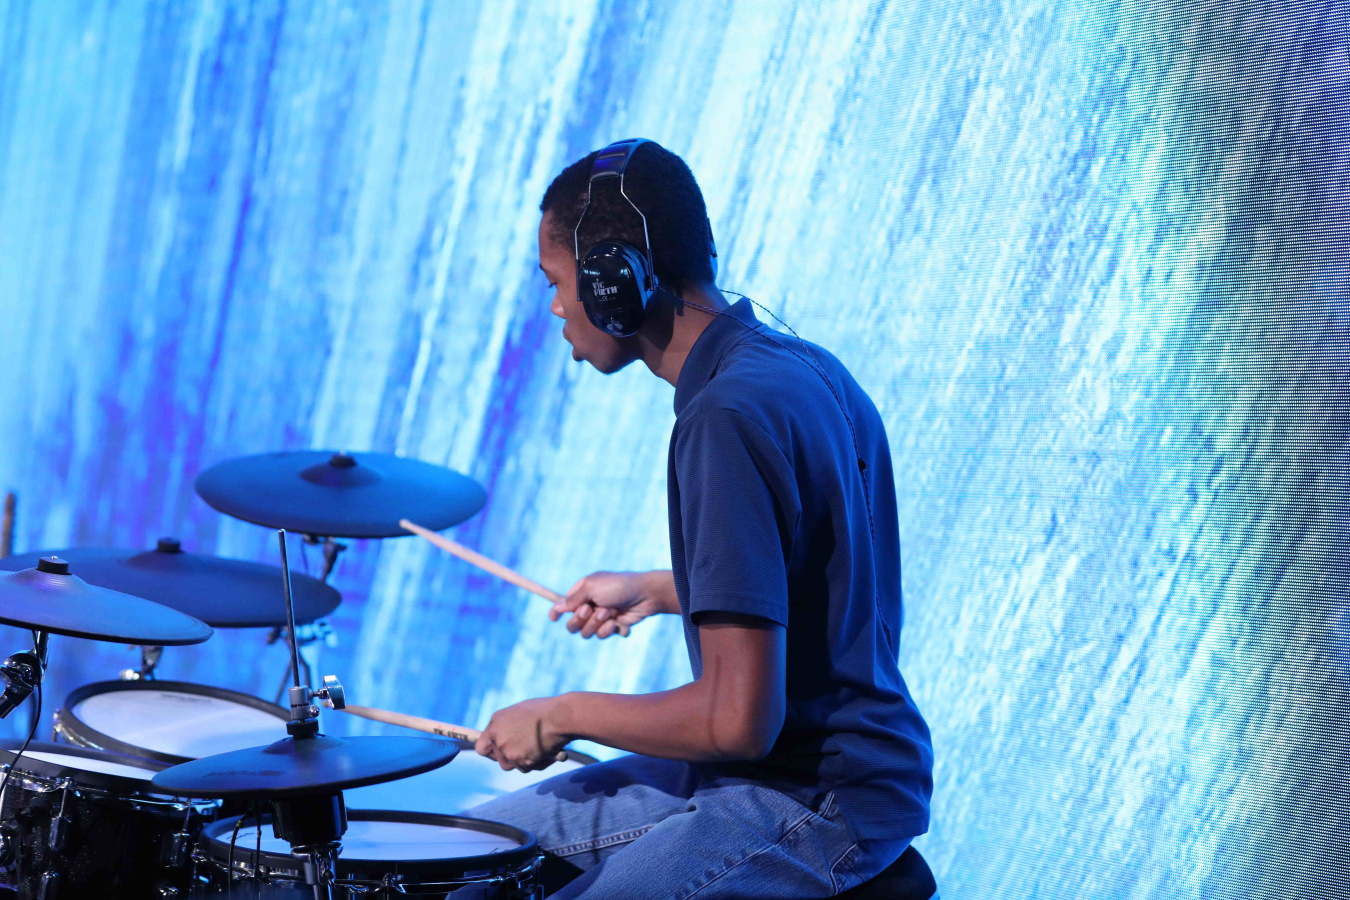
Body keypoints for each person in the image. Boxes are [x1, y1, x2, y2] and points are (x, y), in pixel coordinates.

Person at [466, 140, 933, 899]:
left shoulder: (723, 418)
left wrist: (560, 716)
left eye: (556, 283)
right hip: (810, 768)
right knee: (470, 852)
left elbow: (736, 719)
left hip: (816, 796)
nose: (555, 308)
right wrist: (660, 588)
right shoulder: (802, 366)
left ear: (613, 281)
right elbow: (826, 574)